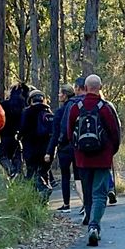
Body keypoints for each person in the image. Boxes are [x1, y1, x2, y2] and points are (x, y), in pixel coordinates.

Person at [64, 74, 121, 246]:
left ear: (86, 87)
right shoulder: (104, 108)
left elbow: (69, 132)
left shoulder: (76, 107)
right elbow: (114, 132)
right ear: (100, 87)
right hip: (102, 158)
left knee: (88, 193)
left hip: (82, 158)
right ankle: (94, 226)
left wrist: (77, 149)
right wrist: (111, 151)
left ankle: (90, 222)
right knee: (99, 194)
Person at [45, 84, 79, 212]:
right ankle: (84, 202)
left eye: (60, 93)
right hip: (76, 146)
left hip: (64, 147)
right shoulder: (77, 107)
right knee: (78, 175)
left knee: (65, 176)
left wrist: (49, 151)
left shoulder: (60, 112)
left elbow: (55, 134)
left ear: (65, 95)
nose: (59, 95)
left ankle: (66, 204)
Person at [19, 89, 55, 196]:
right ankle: (43, 200)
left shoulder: (27, 112)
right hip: (46, 149)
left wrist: (18, 137)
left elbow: (23, 128)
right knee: (44, 172)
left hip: (31, 148)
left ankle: (42, 190)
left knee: (32, 172)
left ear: (31, 100)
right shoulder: (48, 112)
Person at [0, 83, 29, 178]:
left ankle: (11, 171)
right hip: (17, 137)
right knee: (17, 157)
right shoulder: (25, 107)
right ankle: (19, 175)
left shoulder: (4, 105)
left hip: (3, 136)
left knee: (2, 156)